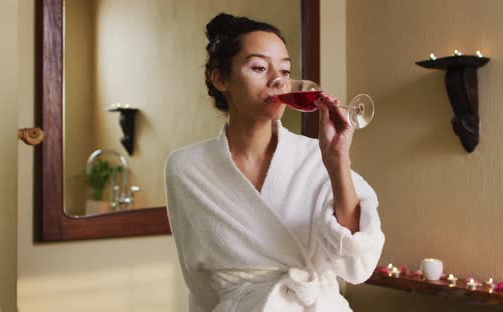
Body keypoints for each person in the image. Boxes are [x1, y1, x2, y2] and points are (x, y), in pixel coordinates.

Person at [164, 12, 385, 312]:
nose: (277, 81)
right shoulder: (185, 169)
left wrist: (337, 163)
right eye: (258, 67)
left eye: (284, 69)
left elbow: (358, 264)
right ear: (221, 79)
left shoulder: (316, 157)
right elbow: (200, 285)